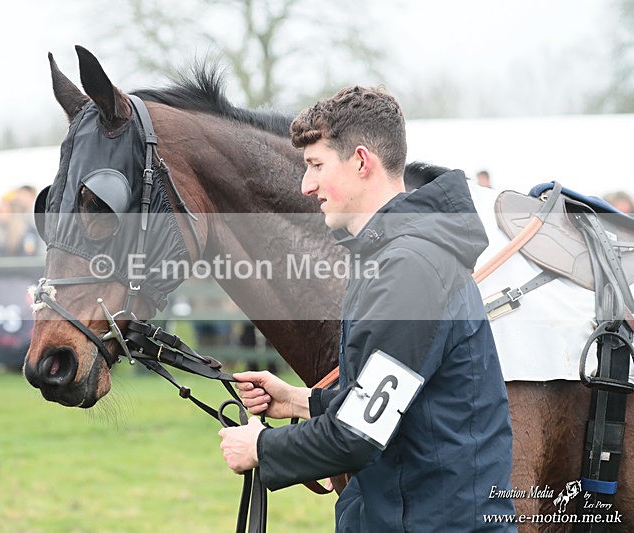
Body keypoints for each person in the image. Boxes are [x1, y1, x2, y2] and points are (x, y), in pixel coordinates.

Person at [217, 86, 516, 531]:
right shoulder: (392, 258)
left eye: (317, 165)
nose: (306, 185)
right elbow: (390, 402)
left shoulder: (409, 269)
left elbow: (359, 433)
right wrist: (301, 401)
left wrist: (262, 448)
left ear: (361, 161)